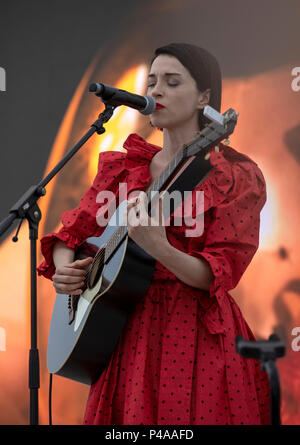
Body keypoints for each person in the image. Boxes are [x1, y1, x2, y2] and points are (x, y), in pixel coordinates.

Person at [37, 42, 271, 425]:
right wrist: (67, 270)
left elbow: (218, 274)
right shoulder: (124, 169)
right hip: (124, 330)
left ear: (204, 98)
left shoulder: (234, 175)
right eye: (152, 82)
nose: (155, 91)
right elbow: (71, 235)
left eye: (172, 82)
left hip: (196, 333)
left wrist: (159, 247)